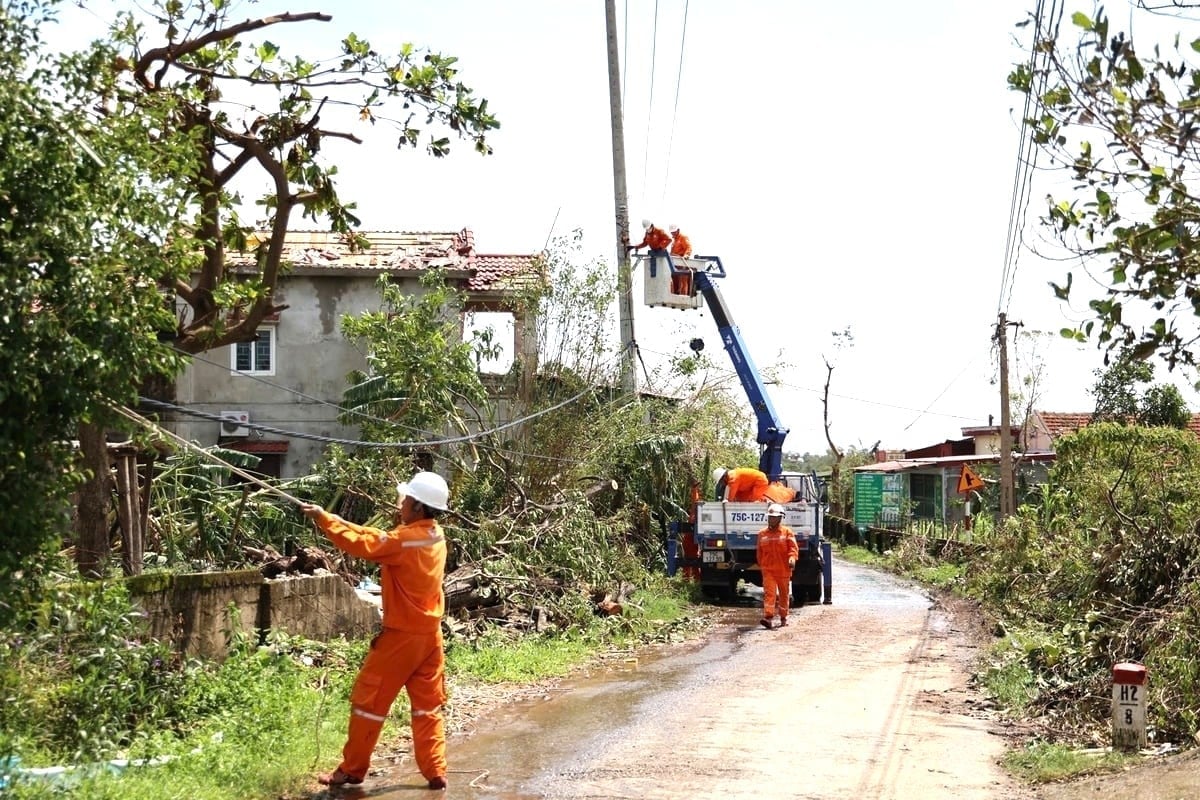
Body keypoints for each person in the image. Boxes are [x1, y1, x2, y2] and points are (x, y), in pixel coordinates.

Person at [300, 471, 451, 792]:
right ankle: (435, 771)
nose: (402, 505)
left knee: (368, 704)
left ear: (419, 507)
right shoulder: (436, 537)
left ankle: (352, 771)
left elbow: (365, 542)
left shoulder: (404, 541)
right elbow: (376, 535)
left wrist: (325, 520)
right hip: (430, 639)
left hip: (401, 638)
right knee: (427, 708)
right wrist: (330, 517)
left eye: (407, 500)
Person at [755, 503, 798, 629]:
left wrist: (792, 559)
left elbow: (793, 549)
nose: (771, 519)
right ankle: (768, 617)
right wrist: (762, 565)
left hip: (783, 570)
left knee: (784, 595)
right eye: (770, 517)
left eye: (774, 517)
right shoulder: (762, 534)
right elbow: (759, 552)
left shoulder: (787, 532)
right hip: (768, 570)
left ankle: (784, 617)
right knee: (770, 594)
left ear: (780, 518)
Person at [668, 224, 694, 295]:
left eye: (674, 232)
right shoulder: (674, 241)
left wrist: (686, 255)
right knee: (674, 280)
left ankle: (684, 297)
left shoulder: (683, 237)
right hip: (674, 265)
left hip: (682, 264)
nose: (673, 234)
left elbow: (688, 247)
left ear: (678, 230)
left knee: (683, 281)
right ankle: (675, 295)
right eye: (672, 232)